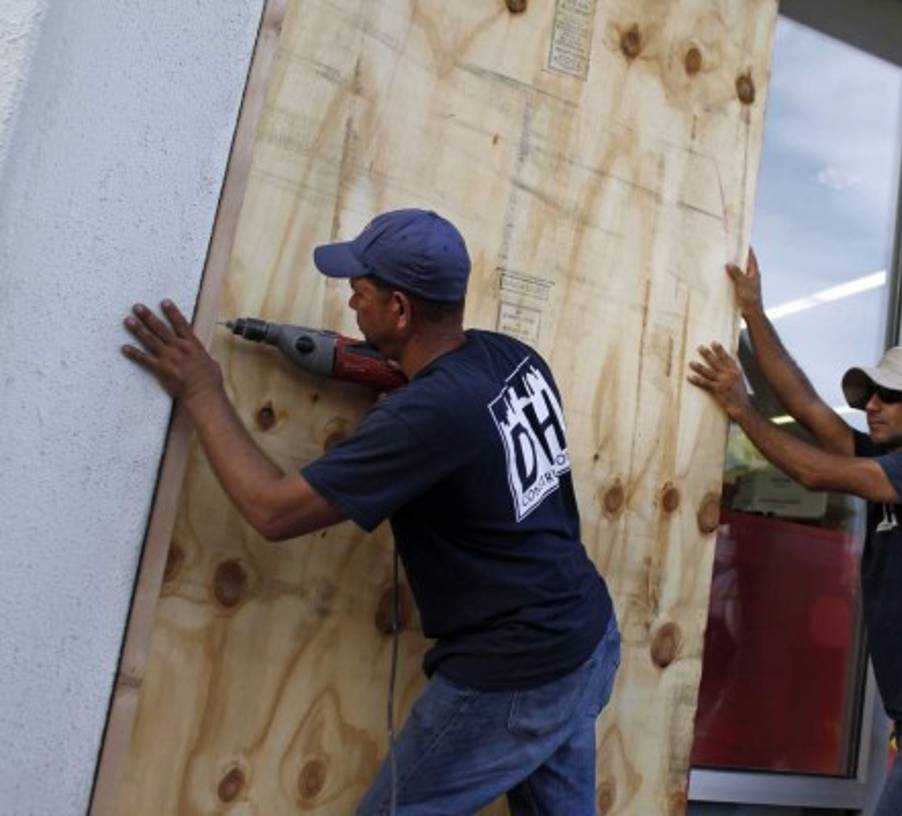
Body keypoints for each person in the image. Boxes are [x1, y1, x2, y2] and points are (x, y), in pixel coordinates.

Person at [121, 209, 619, 815]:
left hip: (515, 675)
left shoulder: (424, 417)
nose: (351, 305)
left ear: (402, 310)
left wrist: (203, 391)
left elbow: (272, 512)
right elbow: (462, 427)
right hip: (585, 636)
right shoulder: (512, 356)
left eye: (360, 294)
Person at [687, 249, 902, 816]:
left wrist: (741, 410)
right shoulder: (890, 463)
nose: (873, 406)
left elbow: (813, 470)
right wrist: (755, 314)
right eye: (869, 396)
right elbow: (806, 404)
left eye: (889, 396)